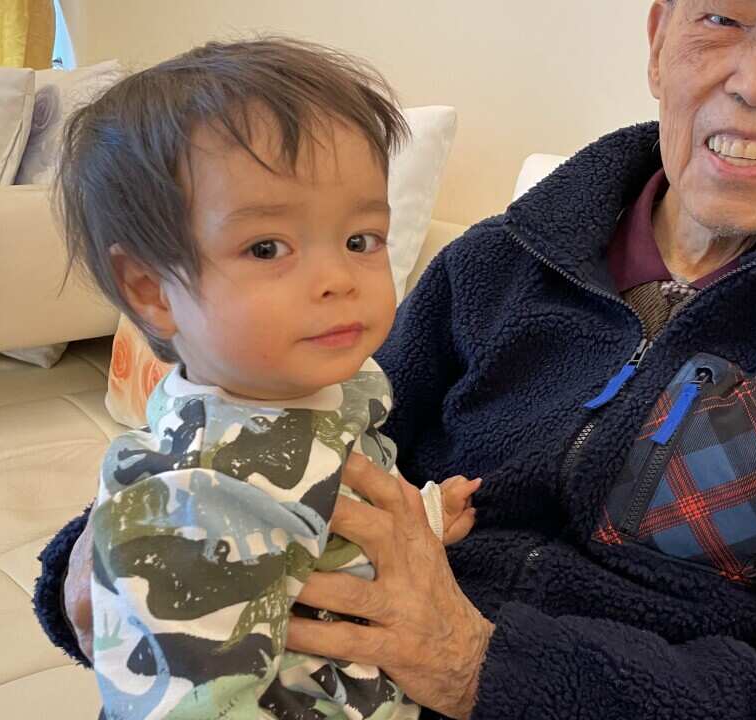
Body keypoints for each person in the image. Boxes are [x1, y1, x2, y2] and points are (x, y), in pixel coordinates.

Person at [37, 1, 756, 718]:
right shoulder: (494, 263)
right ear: (657, 39)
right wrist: (97, 556)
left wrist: (491, 667)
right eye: (719, 20)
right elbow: (277, 416)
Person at [47, 38, 480, 719]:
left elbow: (332, 508)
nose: (339, 278)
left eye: (360, 240)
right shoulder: (200, 496)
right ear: (152, 291)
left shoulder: (323, 384)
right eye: (267, 247)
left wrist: (422, 519)